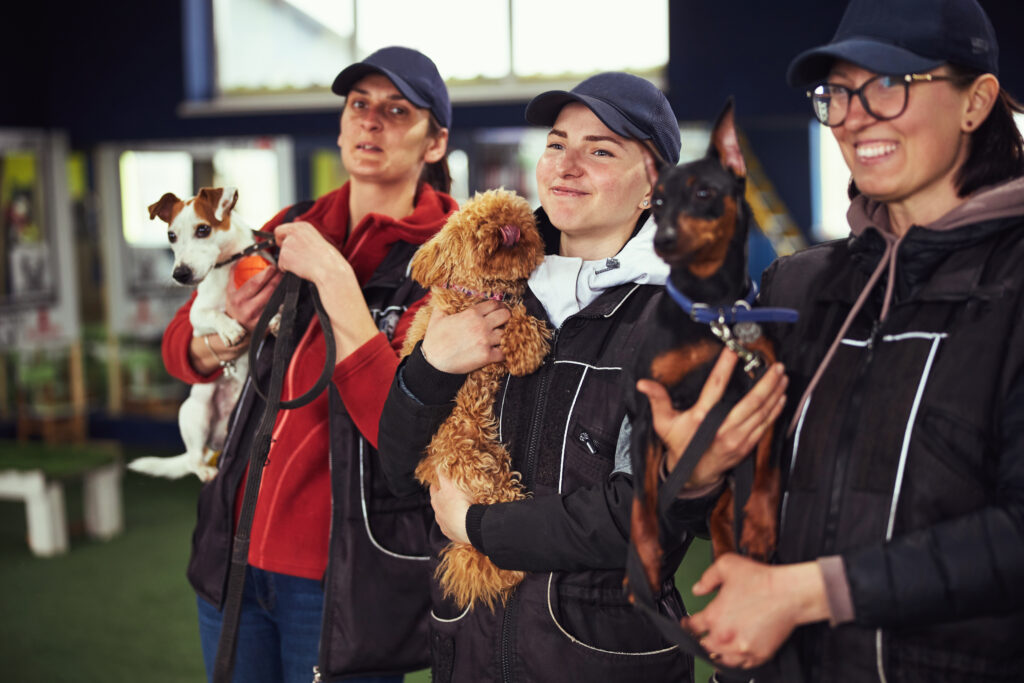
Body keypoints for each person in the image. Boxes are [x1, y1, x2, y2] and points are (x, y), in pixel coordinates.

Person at [648, 0, 1024, 680]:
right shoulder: (798, 289)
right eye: (839, 93)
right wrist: (699, 473)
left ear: (977, 102)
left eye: (888, 84)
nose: (851, 117)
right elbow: (725, 499)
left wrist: (806, 592)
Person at [376, 71, 785, 682]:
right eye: (556, 143)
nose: (566, 166)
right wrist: (431, 367)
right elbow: (400, 473)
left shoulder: (684, 321)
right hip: (468, 653)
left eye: (600, 150)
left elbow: (640, 518)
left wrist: (478, 527)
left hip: (602, 660)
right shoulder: (488, 287)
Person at [160, 46, 459, 683]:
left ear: (435, 143)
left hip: (345, 573)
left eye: (397, 110)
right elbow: (179, 351)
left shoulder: (453, 262)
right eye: (359, 105)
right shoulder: (287, 226)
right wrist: (224, 337)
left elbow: (405, 435)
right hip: (232, 553)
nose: (371, 122)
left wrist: (333, 278)